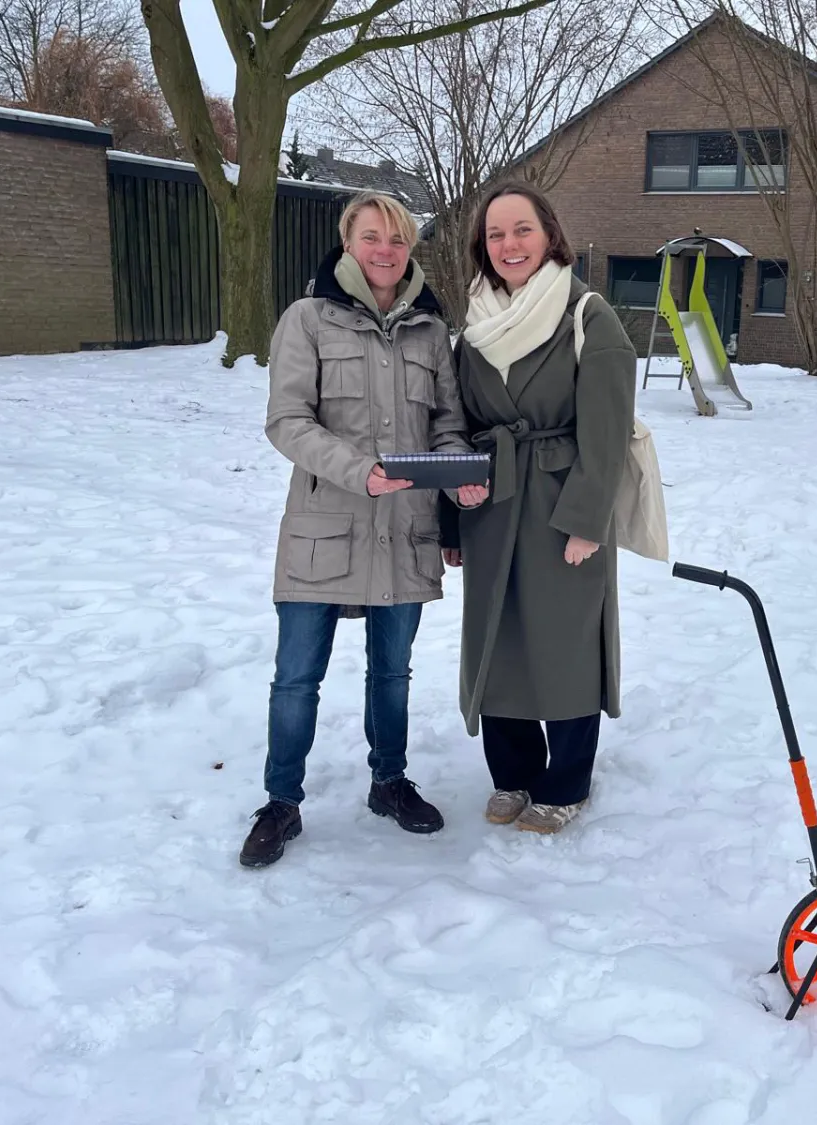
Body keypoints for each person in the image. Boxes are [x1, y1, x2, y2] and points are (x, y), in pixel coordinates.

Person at [240, 191, 488, 868]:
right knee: (296, 678)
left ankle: (389, 782)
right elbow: (287, 421)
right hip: (324, 529)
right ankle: (281, 802)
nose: (386, 250)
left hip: (404, 530)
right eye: (372, 237)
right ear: (347, 243)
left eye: (398, 239)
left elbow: (447, 426)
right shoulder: (307, 320)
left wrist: (457, 476)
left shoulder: (431, 332)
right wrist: (359, 471)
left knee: (392, 673)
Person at [445, 182, 637, 835]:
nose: (509, 244)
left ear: (550, 235)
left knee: (565, 645)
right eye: (495, 233)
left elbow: (607, 433)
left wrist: (587, 521)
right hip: (490, 506)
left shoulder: (587, 317)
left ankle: (567, 782)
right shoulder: (472, 328)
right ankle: (513, 773)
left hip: (561, 506)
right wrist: (451, 519)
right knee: (499, 641)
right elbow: (457, 427)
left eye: (522, 229)